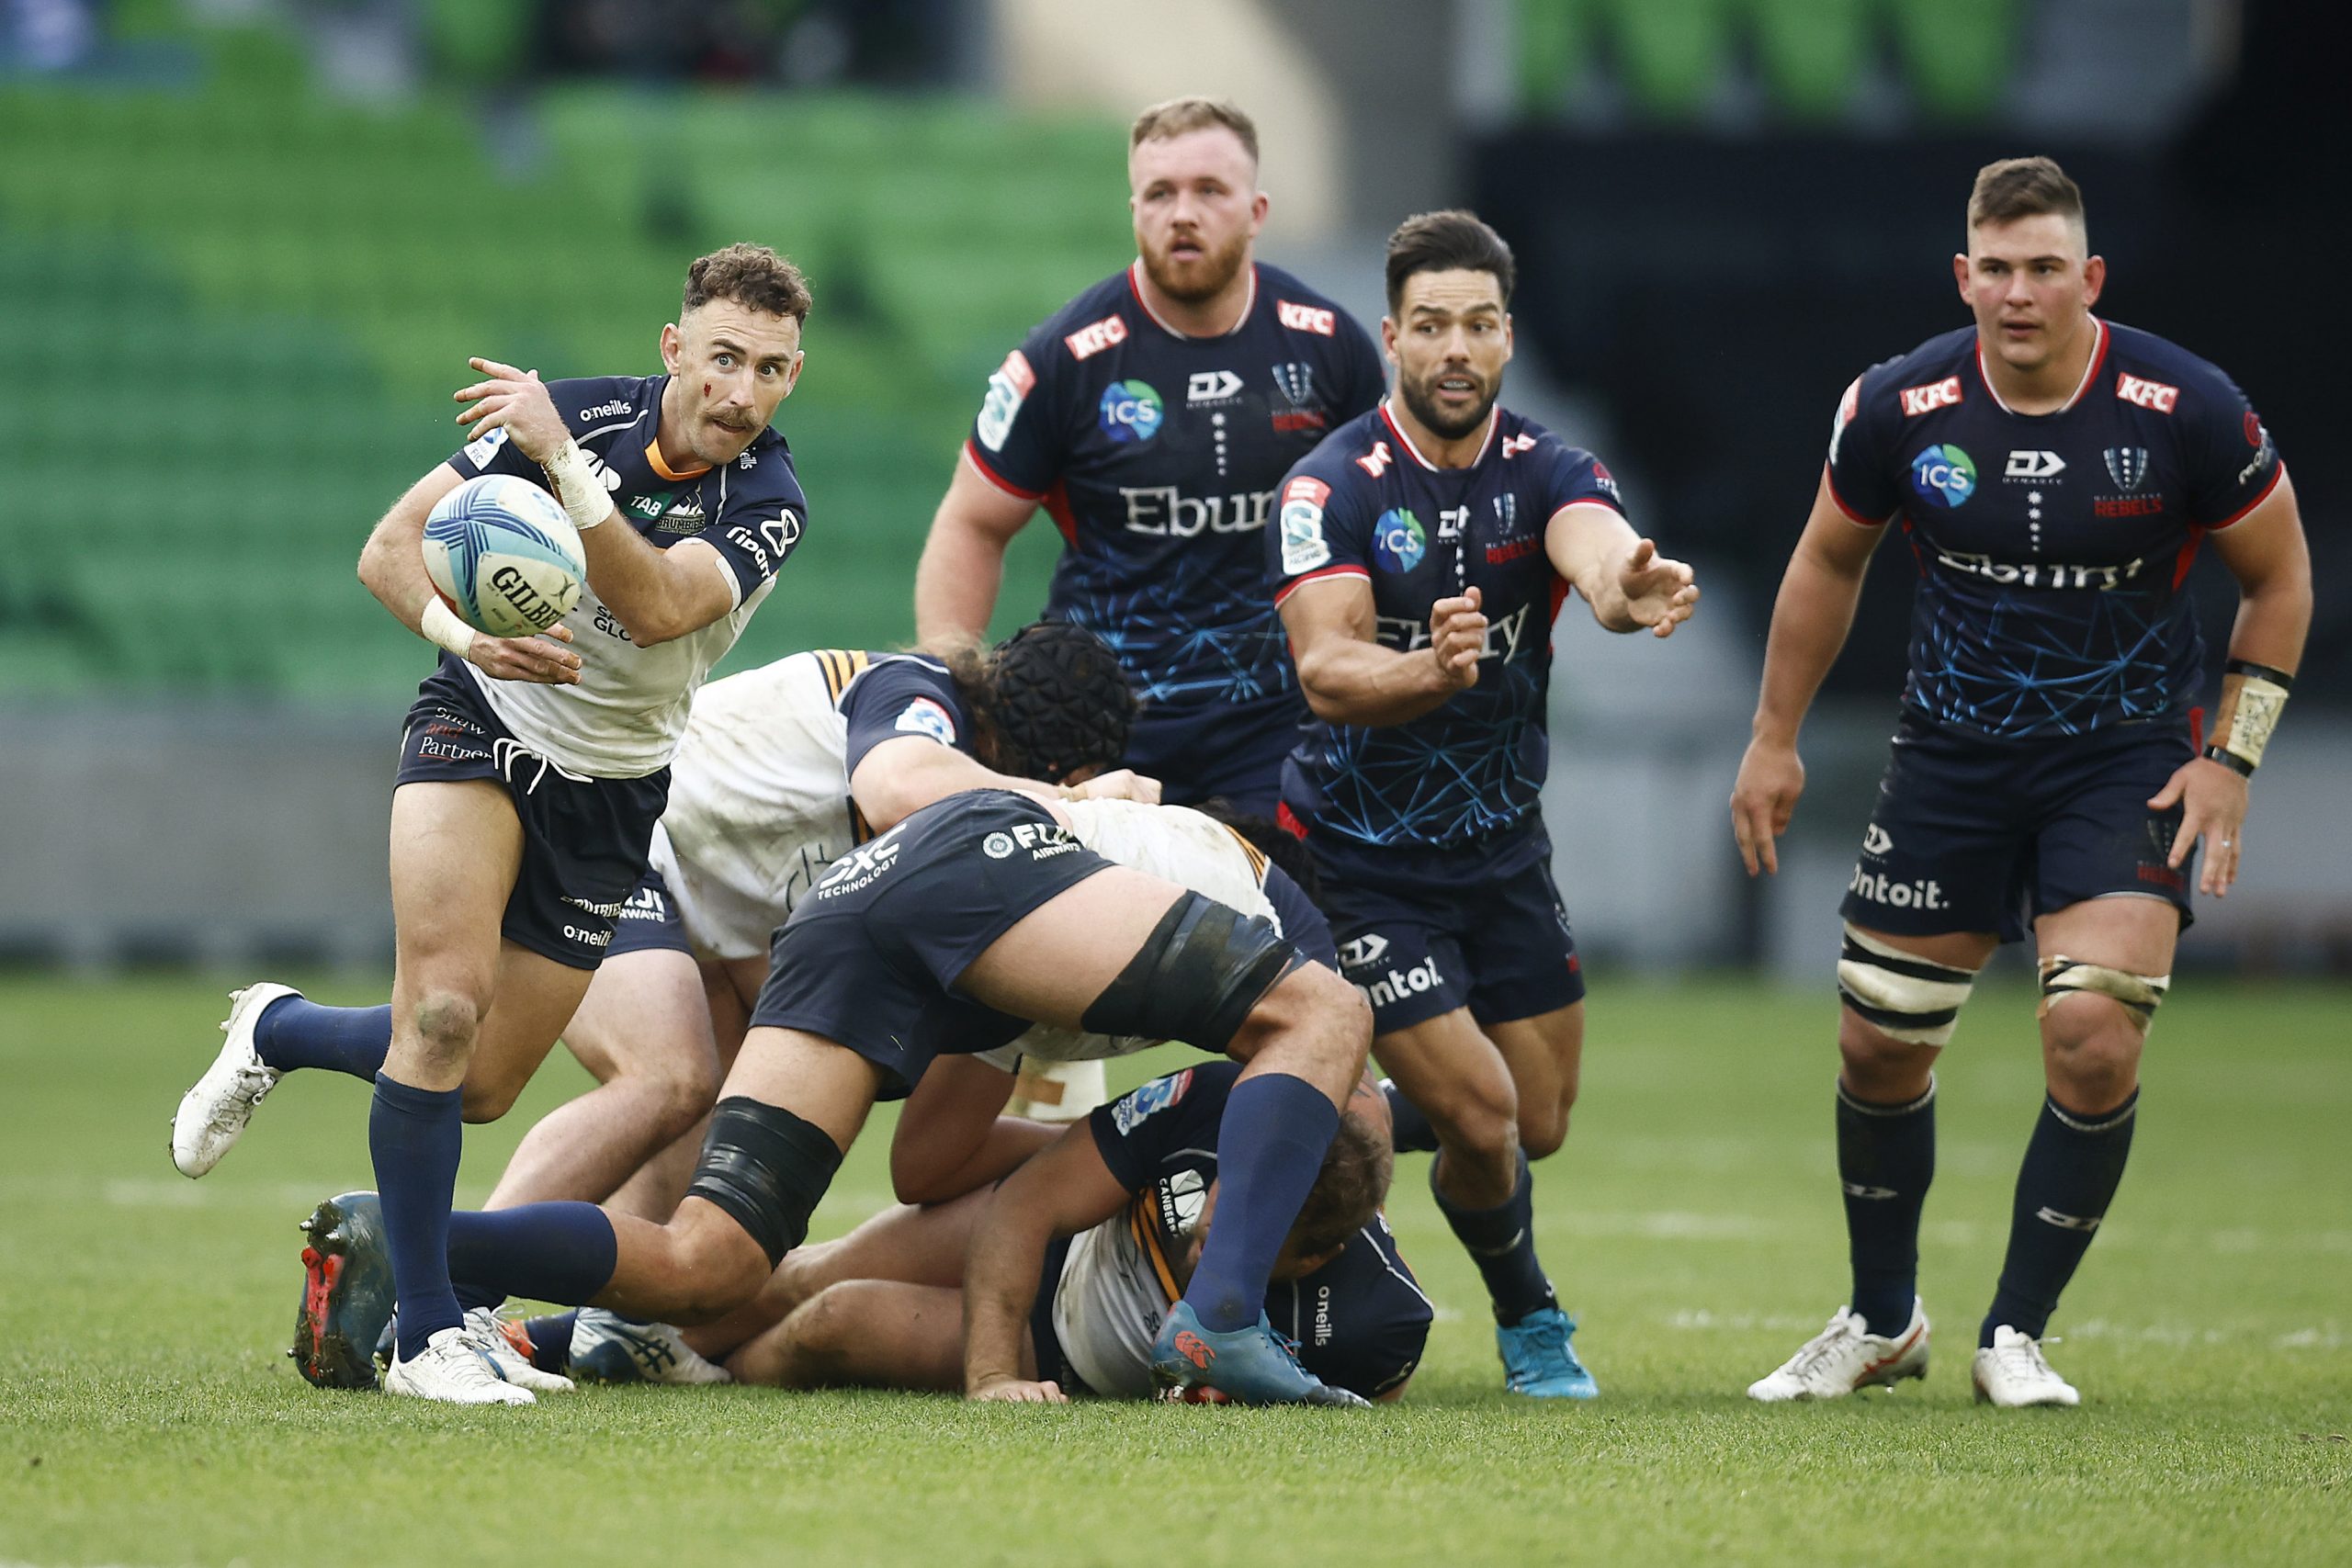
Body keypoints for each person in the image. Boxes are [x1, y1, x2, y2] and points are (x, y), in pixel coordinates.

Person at [173, 243, 817, 1405]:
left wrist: (563, 464)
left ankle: (281, 1029)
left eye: (769, 370)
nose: (740, 391)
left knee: (474, 1082)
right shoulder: (573, 414)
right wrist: (471, 641)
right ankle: (428, 1336)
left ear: (791, 377)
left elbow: (660, 603)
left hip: (613, 790)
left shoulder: (769, 499)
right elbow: (387, 551)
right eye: (722, 358)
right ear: (675, 348)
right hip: (478, 721)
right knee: (442, 1008)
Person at [1730, 157, 2309, 1407]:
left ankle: (2016, 1332)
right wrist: (1774, 734)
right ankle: (1883, 1319)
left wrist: (2231, 757)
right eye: (1996, 268)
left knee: (2092, 1035)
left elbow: (2282, 575)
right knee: (1877, 1041)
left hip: (2127, 758)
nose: (2020, 291)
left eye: (2046, 267)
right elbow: (1829, 560)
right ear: (1963, 276)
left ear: (2089, 277)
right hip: (1951, 755)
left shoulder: (2186, 406)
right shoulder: (1898, 404)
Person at [297, 787, 1377, 1406]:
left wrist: (1093, 1150)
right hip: (977, 859)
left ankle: (412, 1246)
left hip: (865, 905)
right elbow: (1354, 1108)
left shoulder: (1072, 971)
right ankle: (1222, 1316)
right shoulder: (1278, 933)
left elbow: (930, 1170)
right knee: (1331, 1019)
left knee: (709, 1264)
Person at [1270, 210, 1699, 1399]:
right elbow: (1326, 667)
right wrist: (1429, 671)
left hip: (1502, 849)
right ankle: (1532, 1320)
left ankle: (1320, 1100)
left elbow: (1597, 551)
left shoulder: (1549, 468)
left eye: (1479, 324)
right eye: (1432, 326)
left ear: (1507, 336)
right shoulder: (1330, 485)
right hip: (1356, 857)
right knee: (1484, 1108)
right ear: (1393, 334)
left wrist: (1627, 583)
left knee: (1536, 1119)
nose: (1455, 347)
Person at [913, 96, 1385, 815]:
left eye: (1209, 191)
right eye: (1160, 193)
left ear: (1256, 210)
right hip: (1104, 727)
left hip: (1276, 727)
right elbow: (972, 523)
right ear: (1134, 209)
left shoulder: (1329, 347)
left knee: (1283, 922)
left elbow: (1379, 526)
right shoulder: (1063, 360)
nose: (1182, 213)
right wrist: (948, 694)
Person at [549, 1066, 1427, 1403]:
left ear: (1315, 1255)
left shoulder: (1381, 1320)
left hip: (1067, 1355)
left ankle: (702, 1374)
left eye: (1250, 1240)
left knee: (835, 1321)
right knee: (803, 1275)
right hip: (1065, 1240)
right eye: (1220, 1205)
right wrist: (990, 1378)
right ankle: (563, 1337)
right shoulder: (1224, 1102)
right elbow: (1028, 1204)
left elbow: (1358, 1401)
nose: (1210, 1240)